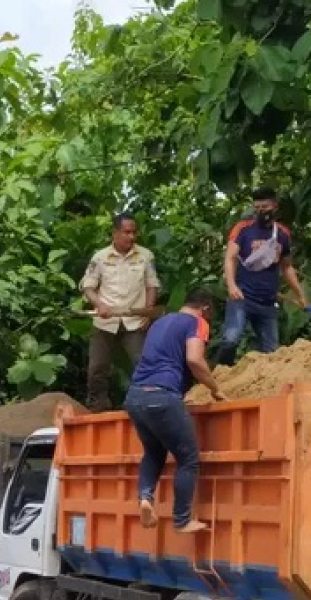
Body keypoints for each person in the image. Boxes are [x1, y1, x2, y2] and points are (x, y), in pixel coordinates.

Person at [125, 287, 225, 534]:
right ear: (205, 309)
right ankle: (182, 520)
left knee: (154, 453)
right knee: (188, 458)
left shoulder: (160, 322)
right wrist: (214, 388)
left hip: (135, 397)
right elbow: (194, 360)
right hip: (162, 396)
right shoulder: (197, 322)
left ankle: (146, 498)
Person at [217, 187, 310, 365]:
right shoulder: (243, 229)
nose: (261, 211)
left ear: (274, 206)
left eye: (265, 207)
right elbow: (230, 258)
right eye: (257, 207)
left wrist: (300, 296)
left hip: (268, 302)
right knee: (231, 339)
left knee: (272, 353)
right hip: (243, 297)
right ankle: (220, 376)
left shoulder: (282, 234)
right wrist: (231, 285)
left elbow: (287, 267)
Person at [81, 212, 161, 413]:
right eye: (127, 232)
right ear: (115, 233)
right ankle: (97, 406)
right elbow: (88, 287)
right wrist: (99, 304)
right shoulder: (100, 258)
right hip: (105, 321)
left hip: (134, 319)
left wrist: (148, 310)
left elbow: (152, 285)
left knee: (142, 363)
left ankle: (144, 404)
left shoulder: (145, 256)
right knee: (97, 368)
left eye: (134, 233)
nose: (131, 237)